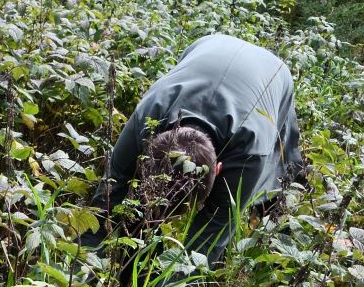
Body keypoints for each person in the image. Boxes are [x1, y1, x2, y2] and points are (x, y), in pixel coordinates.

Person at [99, 33, 305, 267]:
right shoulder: (148, 115)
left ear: (219, 170)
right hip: (209, 44)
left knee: (273, 179)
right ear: (145, 154)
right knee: (133, 202)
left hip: (275, 74)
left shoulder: (251, 148)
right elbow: (107, 195)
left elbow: (210, 237)